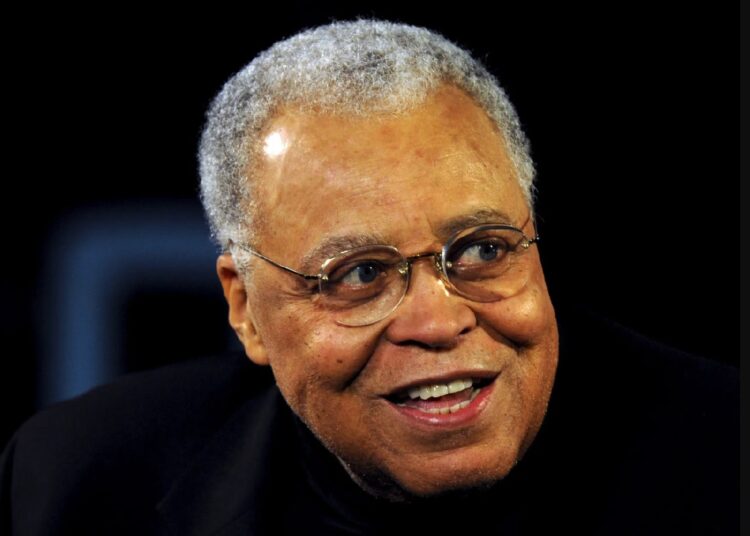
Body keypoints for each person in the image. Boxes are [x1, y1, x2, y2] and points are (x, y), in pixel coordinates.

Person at [1, 20, 737, 535]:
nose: (439, 320)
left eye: (482, 250)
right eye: (359, 273)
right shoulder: (81, 487)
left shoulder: (726, 458)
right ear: (246, 310)